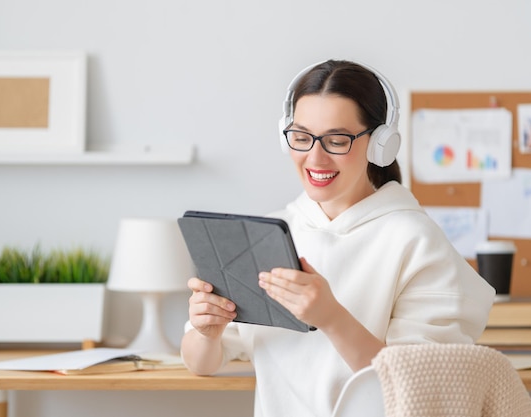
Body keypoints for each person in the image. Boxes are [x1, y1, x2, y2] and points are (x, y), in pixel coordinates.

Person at [181, 59, 495, 417]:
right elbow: (202, 363)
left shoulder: (414, 240)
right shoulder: (265, 235)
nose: (315, 157)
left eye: (336, 140)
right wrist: (208, 332)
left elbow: (419, 389)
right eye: (301, 138)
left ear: (380, 145)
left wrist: (331, 318)